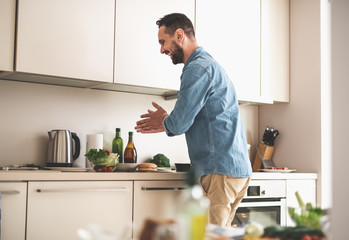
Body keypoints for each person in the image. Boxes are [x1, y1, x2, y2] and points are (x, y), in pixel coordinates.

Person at [135, 13, 252, 227]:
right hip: (234, 170)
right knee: (218, 234)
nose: (162, 50)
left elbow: (179, 123)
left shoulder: (197, 69)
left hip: (219, 172)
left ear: (179, 35)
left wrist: (164, 120)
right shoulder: (210, 65)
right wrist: (166, 121)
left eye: (163, 42)